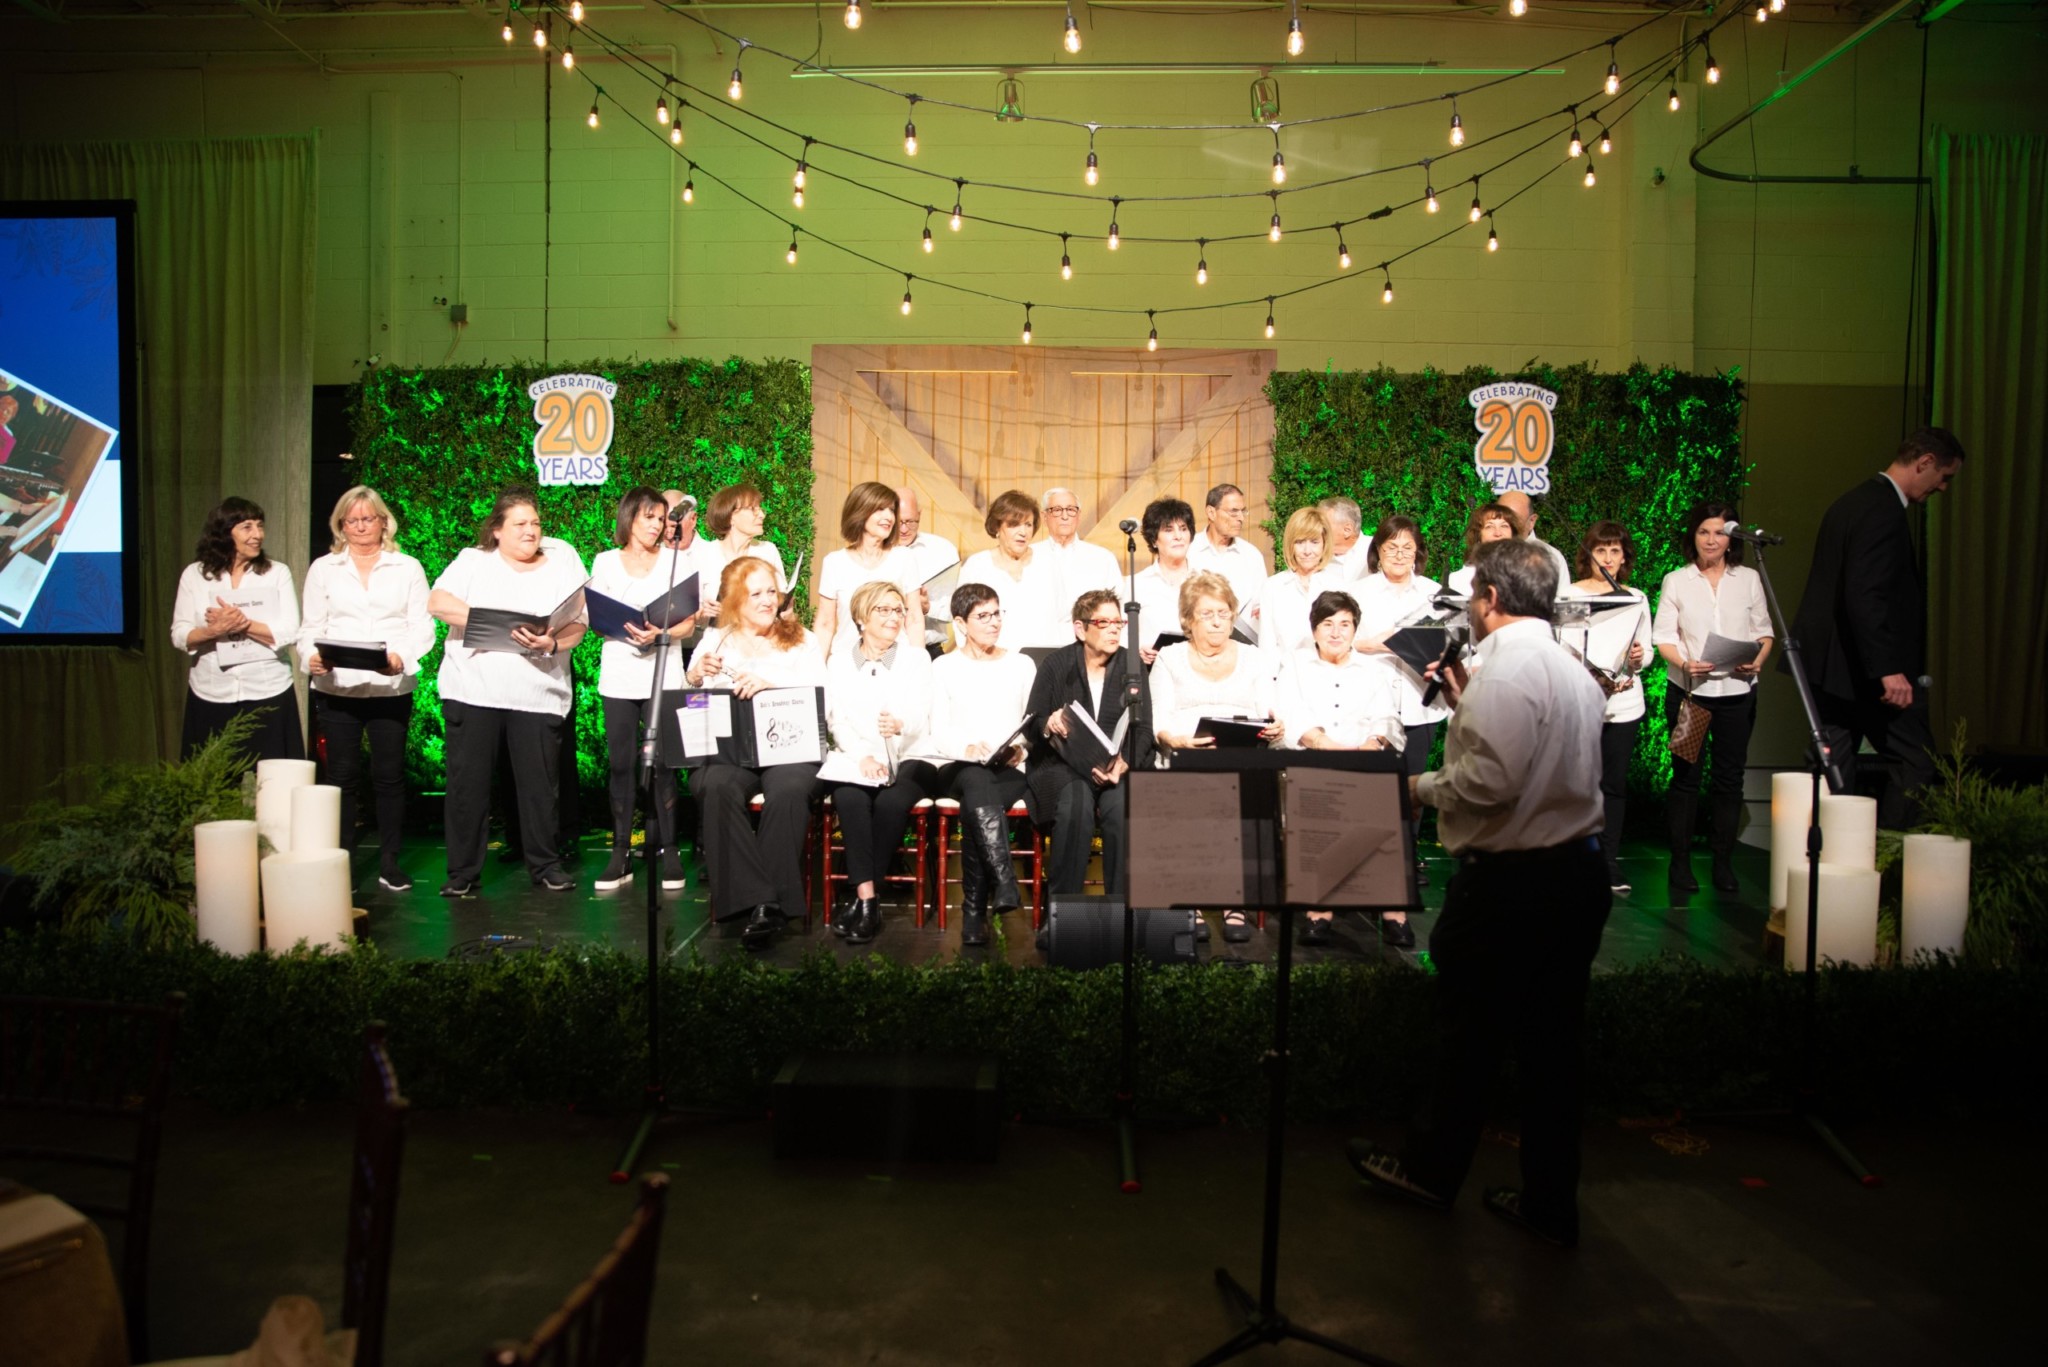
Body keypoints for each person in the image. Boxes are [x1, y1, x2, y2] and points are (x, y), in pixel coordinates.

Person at [1346, 538, 1610, 1250]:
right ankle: (1551, 1204)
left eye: (1473, 599)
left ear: (1490, 599)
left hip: (1512, 885)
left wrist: (1414, 787)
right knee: (1554, 1052)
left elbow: (1488, 783)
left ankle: (1431, 1175)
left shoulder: (1502, 675)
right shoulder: (1572, 671)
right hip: (1577, 875)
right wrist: (1466, 703)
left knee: (1467, 1039)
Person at [1790, 427, 1964, 828]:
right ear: (1925, 463)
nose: (1942, 488)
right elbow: (1864, 593)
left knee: (1833, 767)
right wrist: (1887, 668)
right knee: (1917, 761)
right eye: (1944, 476)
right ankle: (1886, 856)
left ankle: (1834, 862)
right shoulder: (1883, 510)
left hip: (1833, 668)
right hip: (1864, 673)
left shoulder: (1852, 502)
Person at [428, 489, 589, 896]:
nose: (530, 530)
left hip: (537, 693)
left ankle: (546, 864)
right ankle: (463, 872)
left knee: (539, 787)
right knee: (469, 786)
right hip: (474, 690)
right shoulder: (473, 561)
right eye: (520, 524)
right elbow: (438, 601)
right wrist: (491, 621)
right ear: (497, 530)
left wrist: (552, 644)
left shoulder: (560, 565)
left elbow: (578, 624)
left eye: (535, 523)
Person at [684, 556, 827, 948]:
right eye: (757, 593)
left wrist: (771, 682)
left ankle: (762, 905)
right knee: (714, 785)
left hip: (789, 749)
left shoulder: (803, 638)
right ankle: (765, 901)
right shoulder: (715, 640)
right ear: (734, 601)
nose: (768, 600)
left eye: (772, 591)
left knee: (789, 792)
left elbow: (823, 700)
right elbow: (694, 704)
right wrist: (696, 676)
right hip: (733, 751)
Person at [297, 486, 434, 891]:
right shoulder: (324, 568)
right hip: (337, 688)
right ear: (341, 525)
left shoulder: (407, 567)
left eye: (368, 518)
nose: (360, 527)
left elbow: (421, 627)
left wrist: (401, 658)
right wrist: (311, 658)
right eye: (351, 520)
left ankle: (389, 863)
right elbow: (310, 628)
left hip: (389, 687)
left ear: (382, 521)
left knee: (389, 777)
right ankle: (341, 865)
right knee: (341, 778)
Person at [1149, 571, 1281, 942]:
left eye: (1224, 613)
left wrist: (1276, 726)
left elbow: (1268, 708)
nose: (1218, 621)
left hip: (1239, 757)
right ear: (1188, 620)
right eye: (1207, 614)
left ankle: (1231, 901)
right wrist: (1177, 739)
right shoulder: (1171, 658)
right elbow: (1158, 719)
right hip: (1185, 756)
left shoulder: (1253, 658)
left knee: (1236, 790)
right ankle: (1190, 900)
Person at [907, 582, 1037, 947]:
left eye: (997, 614)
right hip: (956, 765)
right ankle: (1004, 883)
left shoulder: (1021, 664)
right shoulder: (945, 666)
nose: (994, 622)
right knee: (976, 779)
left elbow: (1032, 724)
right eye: (983, 616)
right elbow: (937, 727)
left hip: (1008, 768)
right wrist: (966, 746)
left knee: (980, 800)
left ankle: (974, 912)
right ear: (961, 624)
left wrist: (1021, 750)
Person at [1653, 504, 1774, 894]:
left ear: (1731, 539)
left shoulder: (1749, 579)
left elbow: (1764, 632)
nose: (1711, 540)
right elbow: (1664, 638)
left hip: (1737, 694)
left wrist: (1756, 660)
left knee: (1729, 779)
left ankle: (1723, 863)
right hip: (1692, 694)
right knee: (1686, 778)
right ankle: (1681, 864)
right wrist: (1685, 663)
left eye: (1719, 533)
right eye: (1704, 531)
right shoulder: (1677, 580)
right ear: (1694, 536)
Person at [1276, 589, 1406, 945]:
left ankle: (1393, 910)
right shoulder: (1295, 665)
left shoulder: (1372, 669)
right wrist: (1325, 745)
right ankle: (1320, 910)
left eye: (1345, 625)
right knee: (1320, 800)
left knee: (1384, 801)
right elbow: (1290, 714)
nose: (1336, 632)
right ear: (1314, 629)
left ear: (1355, 629)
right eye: (1328, 624)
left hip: (1363, 762)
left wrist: (1373, 743)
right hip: (1314, 760)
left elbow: (1388, 719)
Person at [587, 486, 699, 894]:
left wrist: (661, 632)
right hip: (618, 673)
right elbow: (597, 619)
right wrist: (625, 629)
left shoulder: (676, 560)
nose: (656, 525)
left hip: (663, 672)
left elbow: (689, 622)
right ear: (630, 518)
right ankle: (620, 853)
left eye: (661, 518)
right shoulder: (604, 561)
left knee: (666, 764)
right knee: (620, 764)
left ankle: (670, 850)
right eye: (649, 517)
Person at [1026, 589, 1154, 919]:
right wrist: (1049, 723)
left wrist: (1124, 765)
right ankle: (1061, 915)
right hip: (1064, 767)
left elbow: (1144, 732)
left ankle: (1124, 917)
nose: (1114, 629)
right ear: (1081, 629)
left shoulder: (1132, 665)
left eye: (1118, 622)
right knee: (1076, 804)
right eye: (1104, 622)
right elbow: (1031, 724)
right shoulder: (1057, 664)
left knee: (1121, 807)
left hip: (1116, 770)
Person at [822, 580, 933, 944]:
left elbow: (922, 714)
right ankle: (868, 900)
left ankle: (860, 899)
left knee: (889, 802)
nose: (894, 617)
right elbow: (836, 721)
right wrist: (864, 757)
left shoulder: (915, 658)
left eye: (898, 610)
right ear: (860, 618)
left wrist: (900, 725)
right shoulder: (839, 662)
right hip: (858, 756)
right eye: (883, 610)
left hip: (910, 754)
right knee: (850, 799)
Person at [170, 496, 304, 762]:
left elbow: (290, 630)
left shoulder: (277, 573)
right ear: (223, 532)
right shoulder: (194, 575)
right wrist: (214, 630)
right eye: (247, 527)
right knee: (211, 786)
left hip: (269, 691)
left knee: (273, 784)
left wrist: (242, 623)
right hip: (211, 692)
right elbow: (179, 634)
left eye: (260, 526)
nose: (257, 535)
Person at [1563, 522, 1655, 894]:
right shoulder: (1570, 594)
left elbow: (1645, 650)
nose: (1608, 558)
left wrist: (1638, 659)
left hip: (1624, 703)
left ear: (1624, 557)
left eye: (1615, 551)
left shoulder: (1636, 597)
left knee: (1613, 785)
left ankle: (1608, 861)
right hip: (1582, 701)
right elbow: (1562, 645)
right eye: (1601, 551)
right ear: (1588, 555)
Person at [813, 481, 919, 661]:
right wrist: (816, 671)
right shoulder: (834, 562)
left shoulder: (904, 558)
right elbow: (825, 623)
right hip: (848, 662)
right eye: (880, 509)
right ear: (859, 512)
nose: (889, 517)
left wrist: (918, 663)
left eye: (892, 510)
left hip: (897, 662)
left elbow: (914, 617)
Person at [958, 489, 1068, 649]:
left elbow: (1063, 618)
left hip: (1045, 663)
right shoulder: (977, 566)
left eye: (1028, 525)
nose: (1023, 532)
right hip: (992, 662)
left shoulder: (1048, 562)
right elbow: (961, 619)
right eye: (1014, 524)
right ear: (997, 527)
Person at [692, 483, 787, 627]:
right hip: (716, 639)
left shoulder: (767, 551)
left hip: (760, 639)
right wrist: (701, 611)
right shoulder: (703, 554)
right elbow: (689, 610)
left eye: (760, 509)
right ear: (731, 516)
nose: (761, 514)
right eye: (753, 509)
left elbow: (781, 600)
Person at [1257, 505, 1336, 658]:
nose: (1307, 551)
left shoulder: (1337, 587)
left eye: (1314, 542)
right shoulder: (1273, 587)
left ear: (1324, 544)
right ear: (1290, 545)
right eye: (1300, 542)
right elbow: (1267, 646)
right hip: (1284, 675)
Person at [1035, 486, 1123, 616]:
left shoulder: (1102, 558)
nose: (1065, 516)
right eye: (1057, 510)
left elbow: (1118, 605)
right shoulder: (1030, 556)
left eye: (1071, 510)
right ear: (1044, 516)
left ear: (1079, 515)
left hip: (1090, 633)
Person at [1188, 482, 1268, 624]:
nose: (1241, 518)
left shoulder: (1252, 556)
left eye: (1243, 511)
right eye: (1233, 511)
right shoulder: (1189, 551)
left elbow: (1260, 606)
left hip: (1240, 643)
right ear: (1211, 513)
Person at [1131, 496, 1197, 664]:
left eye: (1183, 528)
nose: (1178, 536)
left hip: (1199, 670)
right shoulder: (1137, 584)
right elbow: (1122, 633)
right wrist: (1137, 649)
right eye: (1168, 530)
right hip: (1151, 671)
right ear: (1154, 539)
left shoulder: (1205, 580)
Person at [894, 485, 959, 651]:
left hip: (930, 649)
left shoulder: (942, 550)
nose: (903, 529)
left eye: (909, 521)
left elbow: (957, 609)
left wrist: (928, 607)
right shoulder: (875, 550)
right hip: (884, 652)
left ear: (919, 515)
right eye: (898, 521)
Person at [1495, 490, 1574, 590]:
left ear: (1531, 521)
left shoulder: (1552, 557)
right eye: (1500, 518)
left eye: (1514, 519)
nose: (1506, 524)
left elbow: (1561, 602)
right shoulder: (1484, 553)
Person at [1445, 501, 1520, 597]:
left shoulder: (1527, 573)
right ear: (1478, 536)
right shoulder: (1459, 579)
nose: (1498, 533)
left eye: (1504, 526)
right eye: (1489, 526)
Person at [1318, 496, 1370, 580]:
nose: (1316, 529)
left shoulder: (1377, 549)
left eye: (1323, 525)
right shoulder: (1313, 557)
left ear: (1347, 530)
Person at [661, 488, 699, 553]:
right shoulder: (649, 556)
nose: (669, 535)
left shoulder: (711, 556)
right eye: (664, 527)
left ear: (693, 520)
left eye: (674, 526)